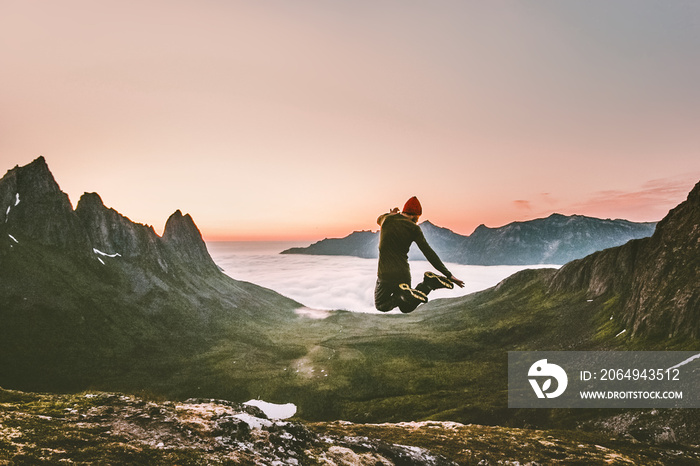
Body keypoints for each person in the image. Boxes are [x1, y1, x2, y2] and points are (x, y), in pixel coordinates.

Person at [374, 196, 464, 313]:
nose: (417, 220)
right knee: (406, 307)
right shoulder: (414, 229)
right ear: (414, 215)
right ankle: (428, 284)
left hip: (386, 274)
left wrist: (391, 213)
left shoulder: (386, 219)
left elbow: (378, 219)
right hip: (403, 274)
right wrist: (448, 275)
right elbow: (428, 252)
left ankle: (402, 295)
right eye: (417, 217)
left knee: (381, 305)